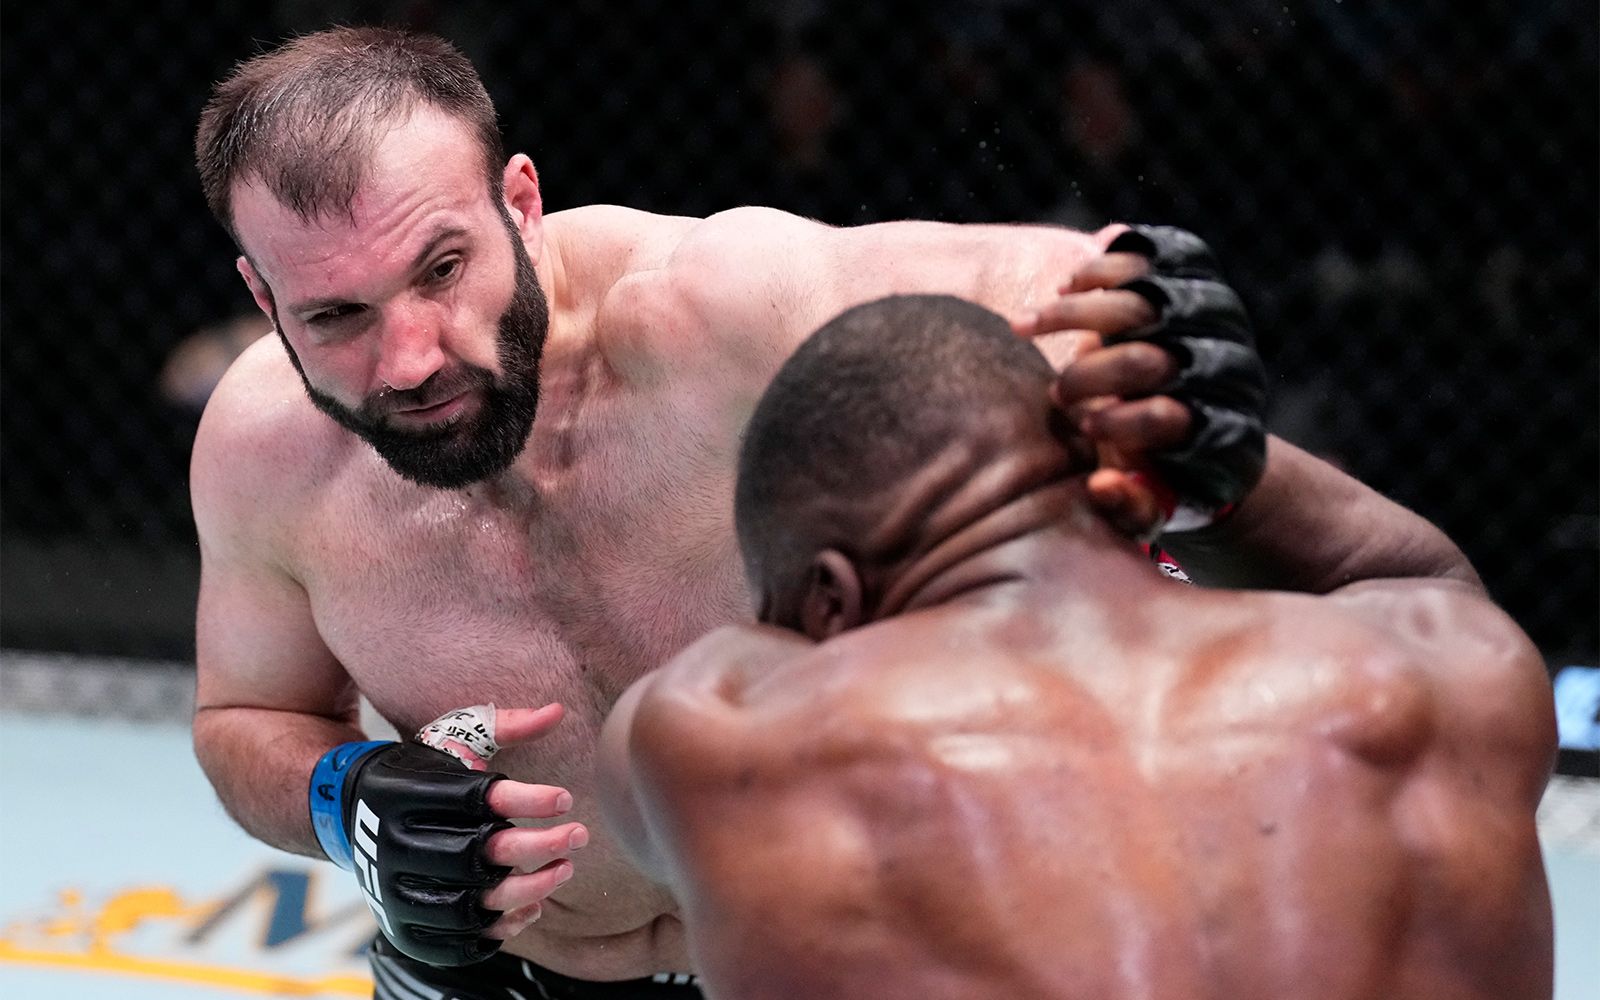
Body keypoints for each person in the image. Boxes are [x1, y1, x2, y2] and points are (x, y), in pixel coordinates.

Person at [189, 25, 1482, 998]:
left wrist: (1150, 312)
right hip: (523, 974)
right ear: (263, 296)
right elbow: (245, 722)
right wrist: (343, 795)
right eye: (336, 316)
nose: (409, 357)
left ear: (520, 203)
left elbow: (1027, 281)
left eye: (441, 268)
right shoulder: (261, 454)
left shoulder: (708, 308)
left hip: (846, 956)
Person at [596, 293, 1556, 1000]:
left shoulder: (731, 733)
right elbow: (1424, 575)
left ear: (829, 601)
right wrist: (1208, 465)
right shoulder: (1445, 666)